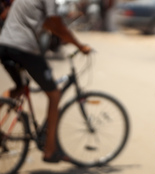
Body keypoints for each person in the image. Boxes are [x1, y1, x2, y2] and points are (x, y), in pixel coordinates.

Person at [0, 0, 91, 162]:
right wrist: (79, 45)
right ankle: (50, 150)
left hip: (4, 44)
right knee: (55, 95)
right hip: (23, 48)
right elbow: (56, 23)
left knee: (21, 87)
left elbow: (48, 23)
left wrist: (64, 36)